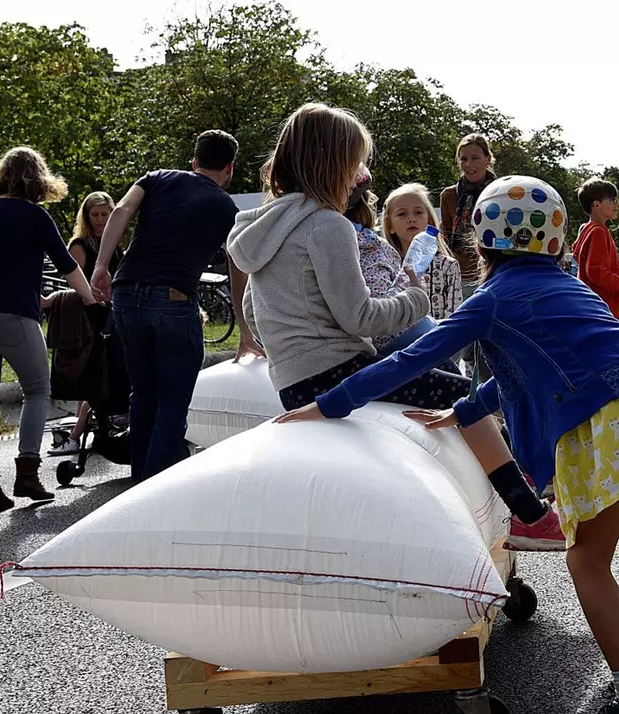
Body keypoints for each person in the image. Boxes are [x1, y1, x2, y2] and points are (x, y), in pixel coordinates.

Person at [273, 175, 619, 714]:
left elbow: (408, 361)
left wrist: (330, 403)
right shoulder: (571, 286)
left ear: (480, 240)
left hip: (607, 422)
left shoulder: (491, 298)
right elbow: (537, 367)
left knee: (588, 562)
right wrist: (465, 410)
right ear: (555, 241)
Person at [227, 103, 564, 550]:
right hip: (337, 373)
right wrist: (415, 298)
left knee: (441, 386)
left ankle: (526, 490)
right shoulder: (327, 226)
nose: (359, 175)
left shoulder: (260, 228)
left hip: (291, 382)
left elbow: (252, 308)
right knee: (461, 397)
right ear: (332, 164)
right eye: (355, 164)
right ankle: (528, 512)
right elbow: (360, 317)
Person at [91, 130, 261, 482]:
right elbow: (237, 268)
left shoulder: (156, 178)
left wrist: (101, 266)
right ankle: (153, 486)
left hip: (125, 295)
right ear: (229, 169)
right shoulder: (226, 207)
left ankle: (141, 475)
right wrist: (245, 331)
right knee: (172, 398)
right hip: (173, 299)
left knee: (142, 393)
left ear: (194, 161)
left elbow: (122, 209)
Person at [0, 147, 97, 515]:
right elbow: (68, 265)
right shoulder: (34, 216)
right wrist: (90, 300)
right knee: (36, 390)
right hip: (11, 317)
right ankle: (27, 475)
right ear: (38, 179)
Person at [49, 191, 123, 456]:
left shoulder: (115, 244)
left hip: (113, 315)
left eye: (105, 214)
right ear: (87, 216)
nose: (101, 220)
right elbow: (73, 281)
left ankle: (81, 433)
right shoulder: (80, 244)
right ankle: (76, 435)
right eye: (95, 215)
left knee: (102, 379)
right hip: (89, 318)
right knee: (94, 377)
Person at [383, 183, 463, 322]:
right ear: (390, 226)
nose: (412, 219)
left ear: (429, 220)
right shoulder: (384, 264)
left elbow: (453, 316)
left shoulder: (447, 266)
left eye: (418, 212)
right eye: (402, 214)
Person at [573, 179, 619, 319]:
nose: (616, 205)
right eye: (611, 200)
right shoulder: (598, 232)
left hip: (595, 305)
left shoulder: (589, 230)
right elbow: (597, 271)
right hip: (603, 307)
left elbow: (612, 268)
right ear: (596, 204)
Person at [440, 133, 497, 298]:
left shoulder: (500, 193)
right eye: (463, 159)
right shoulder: (449, 195)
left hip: (493, 273)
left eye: (475, 158)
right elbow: (446, 237)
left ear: (488, 159)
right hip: (459, 275)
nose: (469, 164)